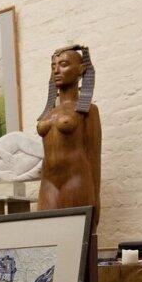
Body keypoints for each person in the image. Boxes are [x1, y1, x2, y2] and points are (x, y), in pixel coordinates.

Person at [36, 45, 101, 231]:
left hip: (76, 179)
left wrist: (96, 199)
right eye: (53, 66)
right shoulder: (48, 113)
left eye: (64, 64)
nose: (56, 70)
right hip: (48, 181)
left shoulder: (87, 110)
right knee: (46, 236)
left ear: (81, 69)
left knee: (76, 236)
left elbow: (94, 156)